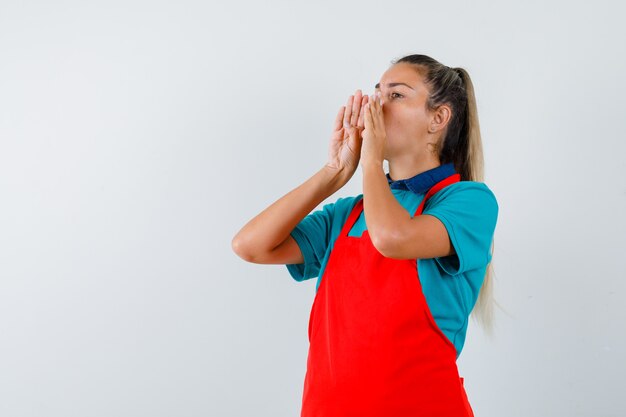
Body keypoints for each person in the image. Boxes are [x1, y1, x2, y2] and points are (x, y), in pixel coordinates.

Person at [232, 54, 498, 417]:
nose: (376, 105)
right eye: (376, 92)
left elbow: (392, 238)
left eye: (396, 95)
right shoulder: (349, 213)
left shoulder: (468, 202)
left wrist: (371, 163)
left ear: (438, 118)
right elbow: (250, 246)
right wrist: (333, 172)